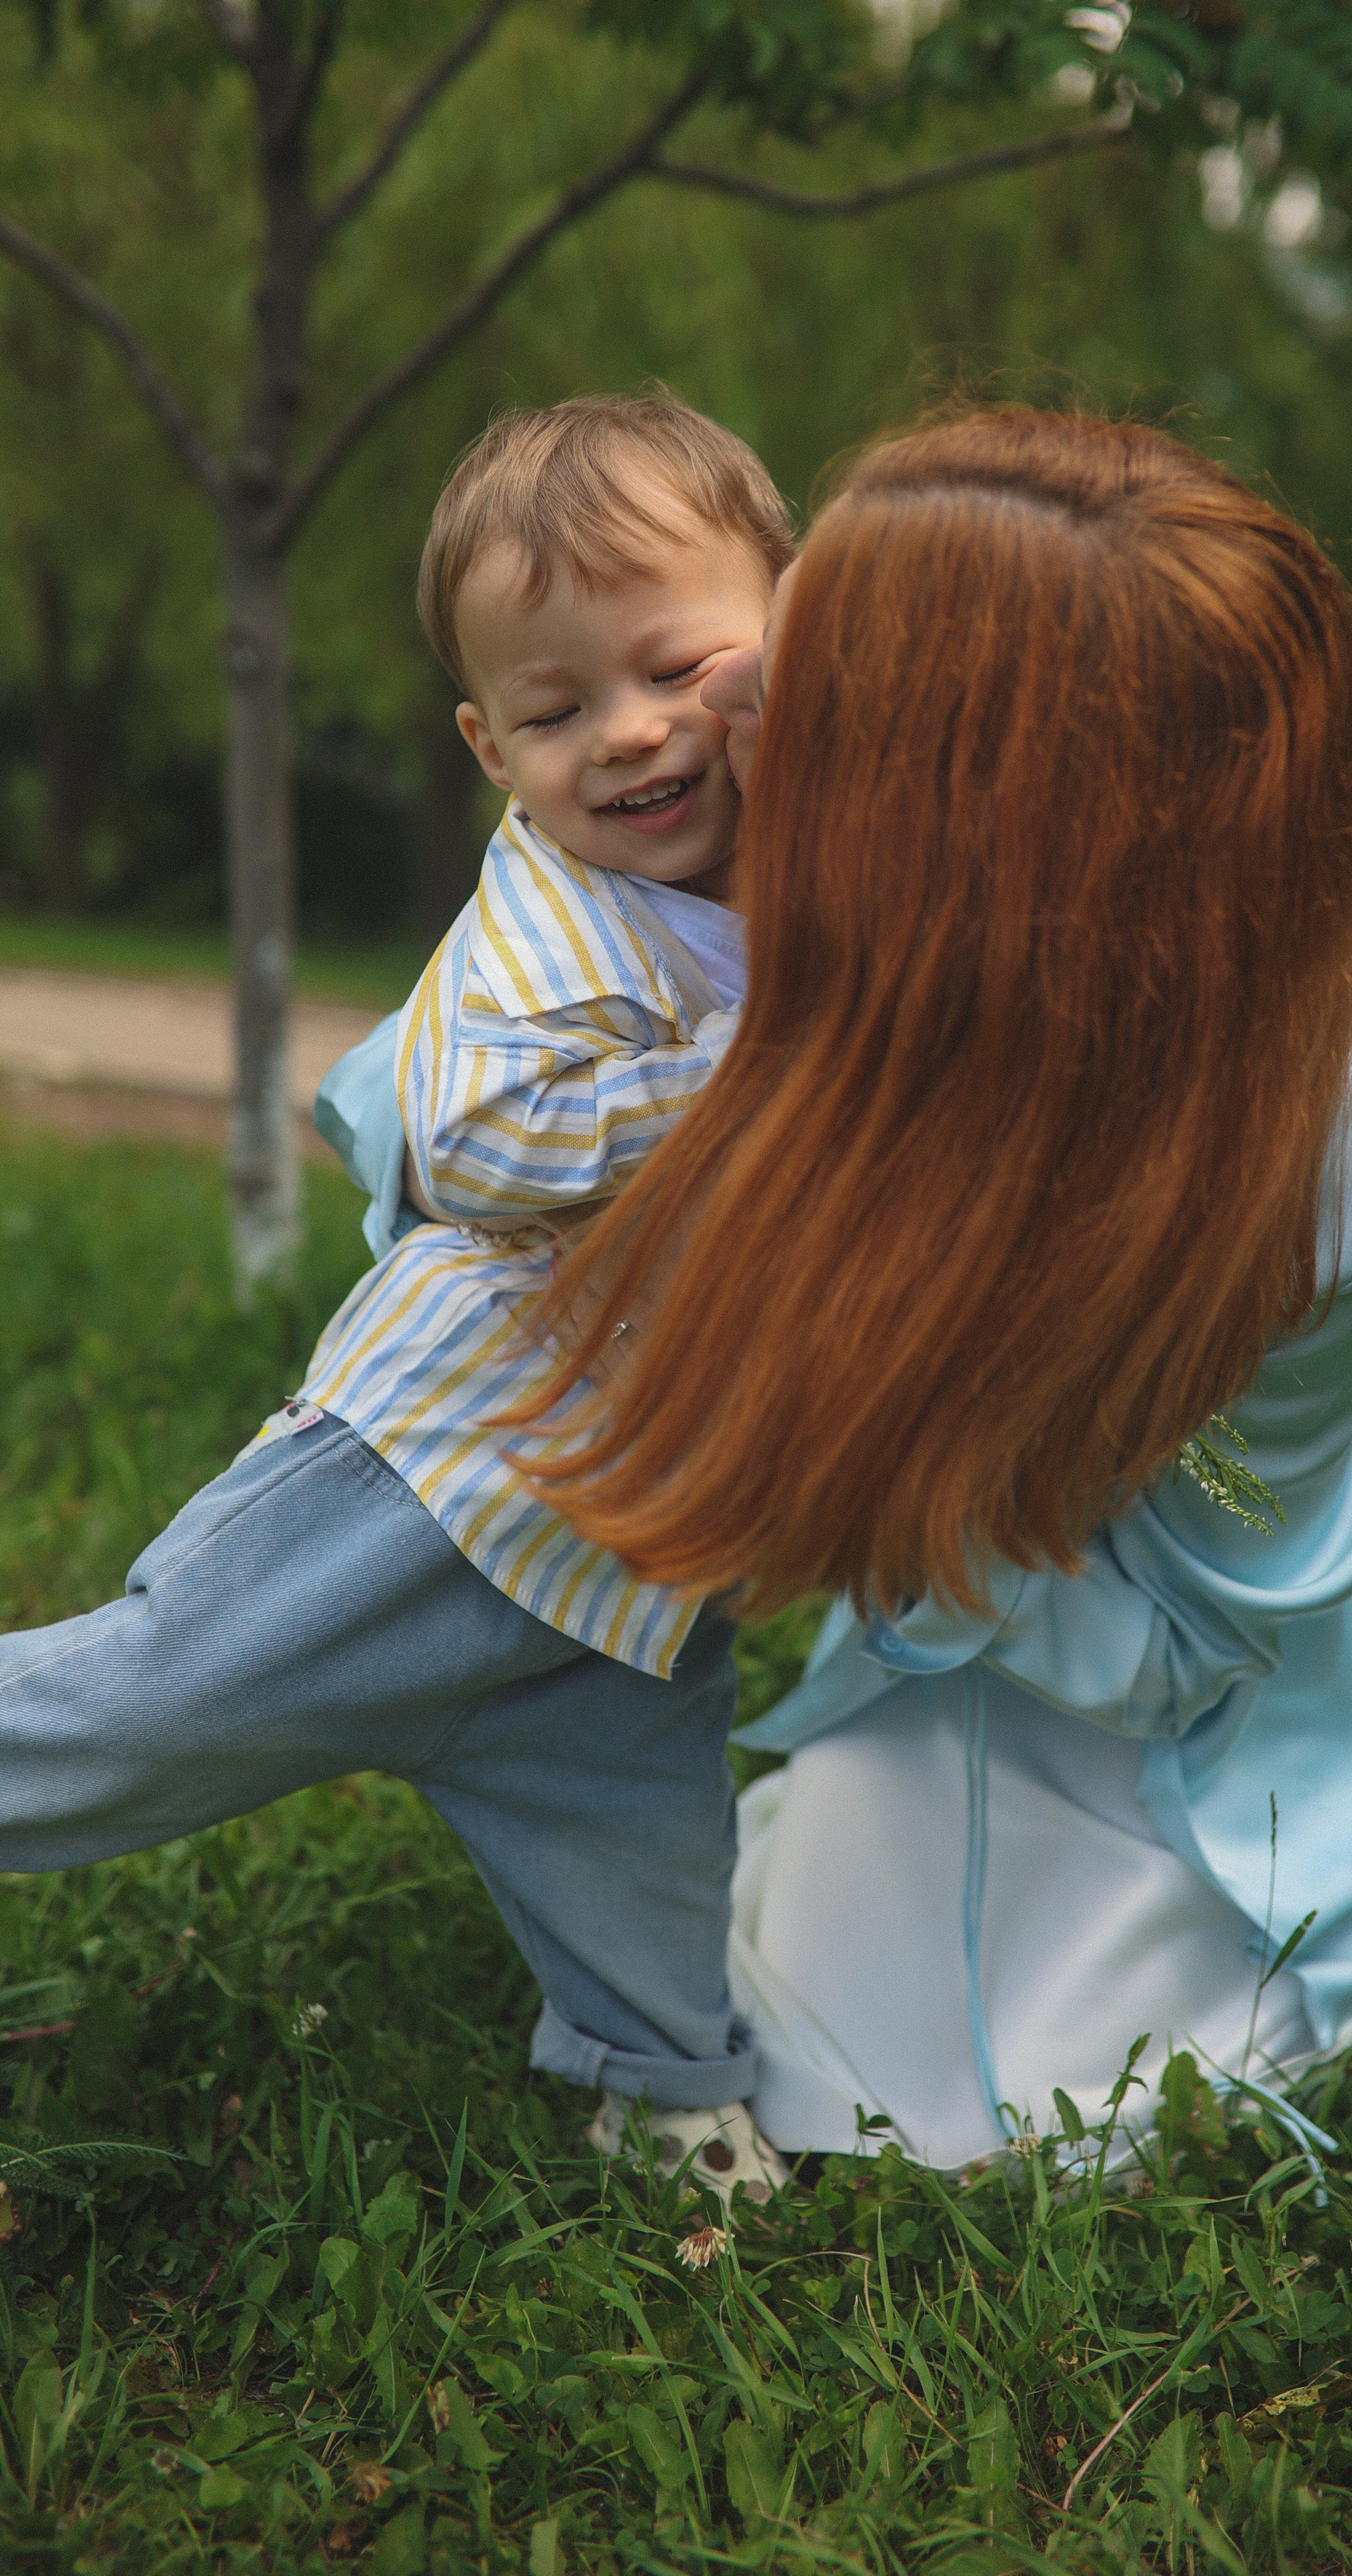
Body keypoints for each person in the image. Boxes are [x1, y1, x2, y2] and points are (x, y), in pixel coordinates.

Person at [510, 406, 1352, 2173]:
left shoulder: (1345, 1155)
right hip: (1009, 1516)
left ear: (998, 837)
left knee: (1051, 2129)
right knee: (789, 2016)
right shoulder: (967, 936)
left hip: (1221, 1540)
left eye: (821, 701)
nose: (735, 716)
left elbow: (1225, 1553)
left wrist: (906, 1505)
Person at [0, 393, 795, 2206]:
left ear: (792, 626)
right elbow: (478, 1129)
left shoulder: (807, 874)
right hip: (437, 1481)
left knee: (639, 1829)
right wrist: (783, 1081)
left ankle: (662, 2092)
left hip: (630, 1561)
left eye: (676, 661)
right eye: (555, 707)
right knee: (134, 1717)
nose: (634, 731)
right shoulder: (554, 913)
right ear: (487, 751)